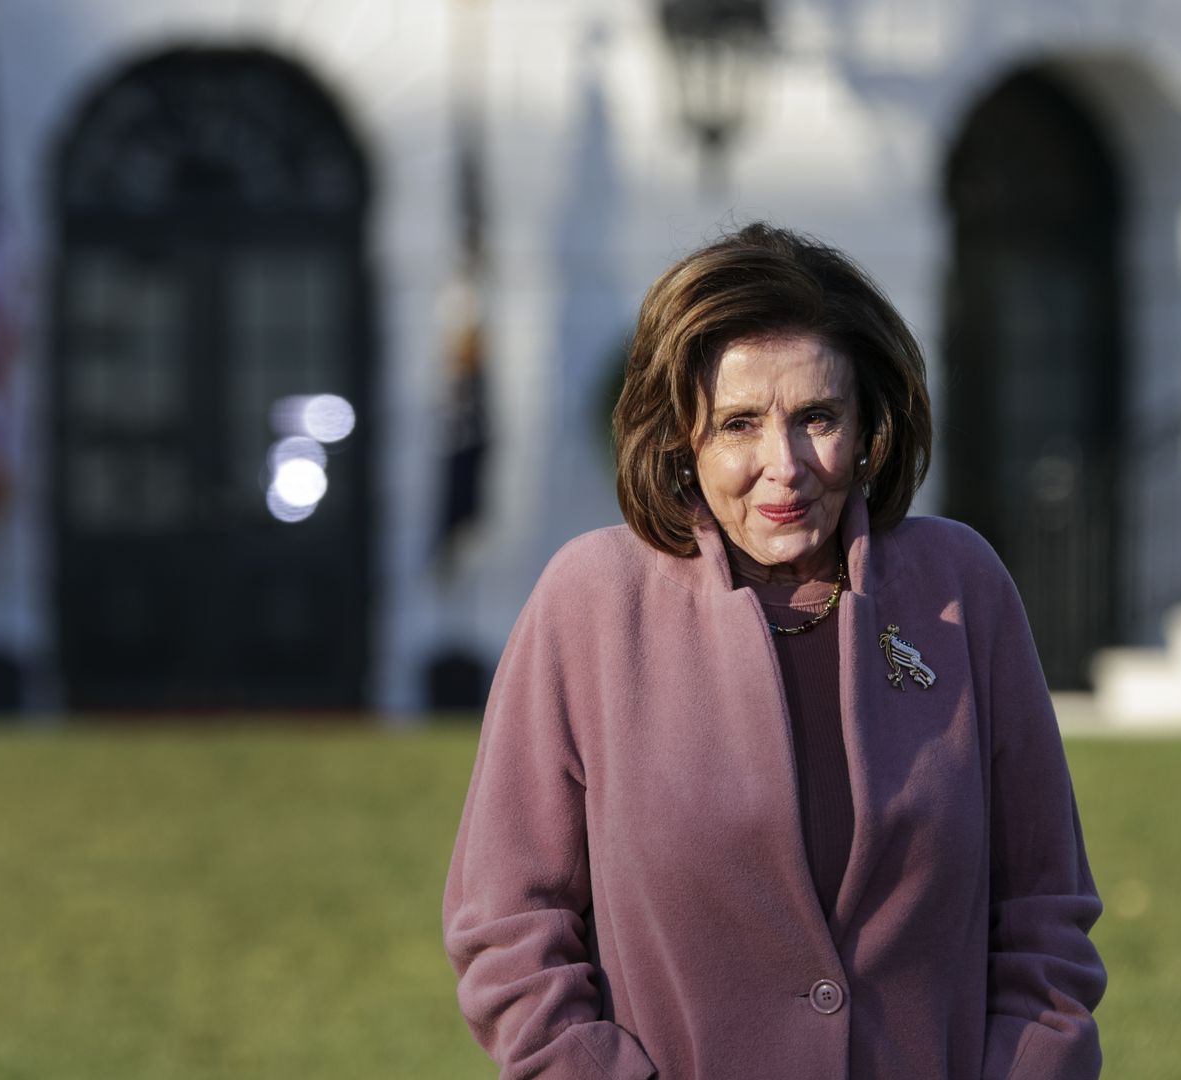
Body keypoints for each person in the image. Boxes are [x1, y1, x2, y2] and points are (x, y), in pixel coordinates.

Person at [442, 223, 1106, 1079]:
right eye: (739, 424)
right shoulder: (590, 603)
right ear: (682, 436)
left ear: (870, 424)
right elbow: (506, 926)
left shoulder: (961, 584)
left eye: (817, 418)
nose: (782, 466)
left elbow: (1044, 913)